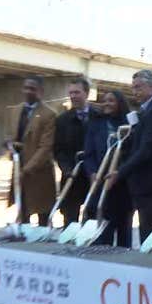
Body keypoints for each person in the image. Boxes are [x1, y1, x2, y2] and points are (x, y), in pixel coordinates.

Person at [107, 69, 152, 249]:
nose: (134, 91)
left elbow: (147, 149)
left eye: (139, 87)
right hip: (147, 178)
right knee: (151, 225)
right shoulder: (149, 109)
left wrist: (120, 172)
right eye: (133, 87)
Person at [83, 91, 133, 247]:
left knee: (124, 229)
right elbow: (89, 153)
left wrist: (120, 172)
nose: (107, 103)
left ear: (120, 102)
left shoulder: (130, 122)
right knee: (103, 229)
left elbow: (134, 152)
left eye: (111, 100)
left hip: (122, 184)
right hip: (100, 183)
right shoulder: (96, 125)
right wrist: (92, 173)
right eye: (104, 100)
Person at [8, 76, 57, 226]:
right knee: (22, 213)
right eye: (26, 88)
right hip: (19, 170)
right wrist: (10, 145)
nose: (28, 91)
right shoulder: (15, 110)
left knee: (43, 214)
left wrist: (27, 169)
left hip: (40, 173)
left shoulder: (49, 114)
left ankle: (42, 245)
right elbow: (13, 135)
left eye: (32, 88)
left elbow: (46, 147)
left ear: (40, 91)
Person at [54, 77, 97, 227]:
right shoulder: (62, 120)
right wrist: (66, 169)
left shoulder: (99, 116)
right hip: (71, 179)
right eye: (71, 93)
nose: (73, 96)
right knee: (70, 221)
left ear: (87, 93)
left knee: (92, 221)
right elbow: (58, 150)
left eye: (77, 92)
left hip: (93, 178)